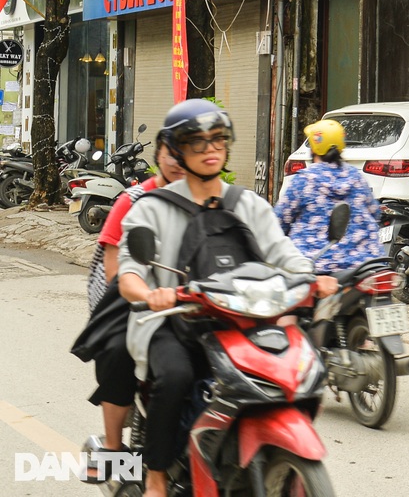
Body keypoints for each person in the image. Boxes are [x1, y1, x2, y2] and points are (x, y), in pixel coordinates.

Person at [117, 99, 335, 497]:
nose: (209, 149)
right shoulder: (152, 208)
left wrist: (313, 276)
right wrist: (152, 294)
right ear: (178, 150)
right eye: (196, 143)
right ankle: (156, 478)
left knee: (296, 370)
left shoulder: (248, 204)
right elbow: (130, 271)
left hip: (243, 320)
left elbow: (282, 252)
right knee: (177, 376)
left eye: (217, 139)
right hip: (175, 322)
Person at [82, 137, 185, 480]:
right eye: (173, 153)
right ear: (159, 156)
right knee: (117, 352)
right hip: (126, 297)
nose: (180, 162)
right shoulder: (134, 200)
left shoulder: (210, 200)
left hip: (187, 301)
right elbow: (115, 271)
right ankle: (114, 449)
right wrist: (142, 296)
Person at [274, 118, 383, 272]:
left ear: (313, 148)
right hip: (364, 264)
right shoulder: (356, 176)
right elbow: (375, 213)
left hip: (316, 264)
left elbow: (279, 220)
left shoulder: (304, 180)